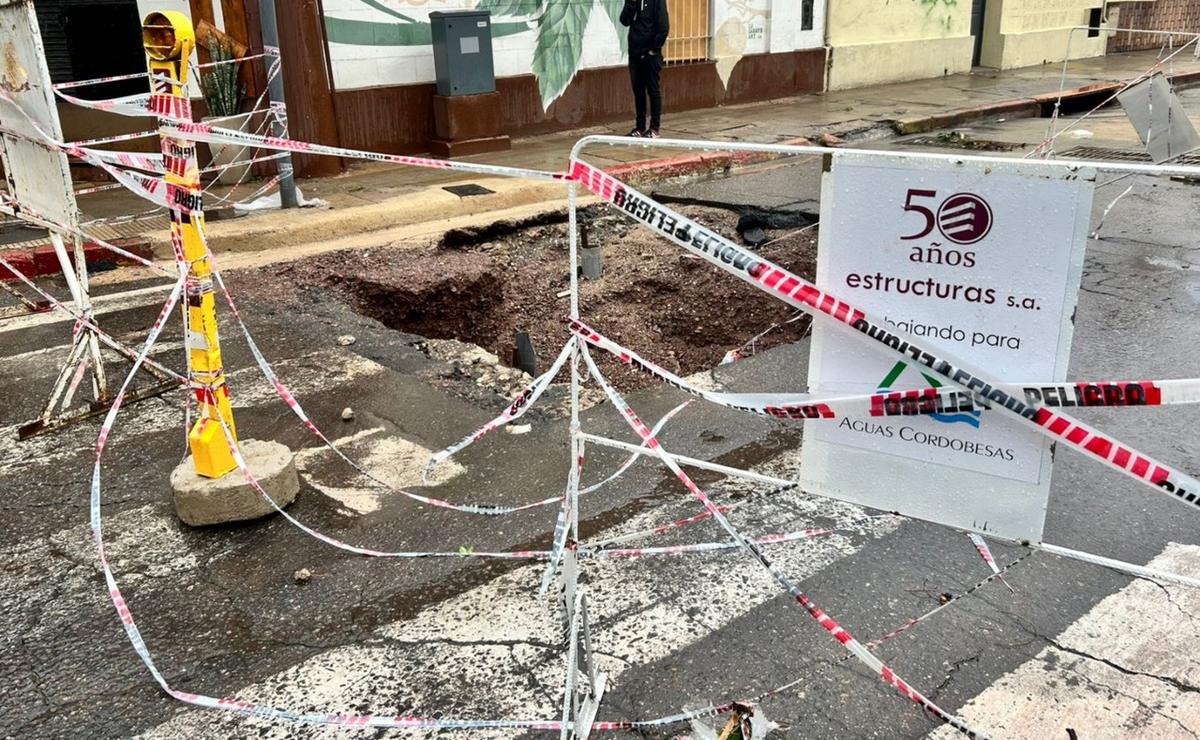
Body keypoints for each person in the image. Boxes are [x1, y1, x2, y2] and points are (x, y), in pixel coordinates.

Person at [620, 0, 669, 138]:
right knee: (638, 90)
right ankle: (640, 127)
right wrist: (631, 4)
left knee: (653, 90)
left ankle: (654, 128)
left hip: (650, 54)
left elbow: (664, 26)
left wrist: (654, 49)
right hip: (635, 52)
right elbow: (624, 20)